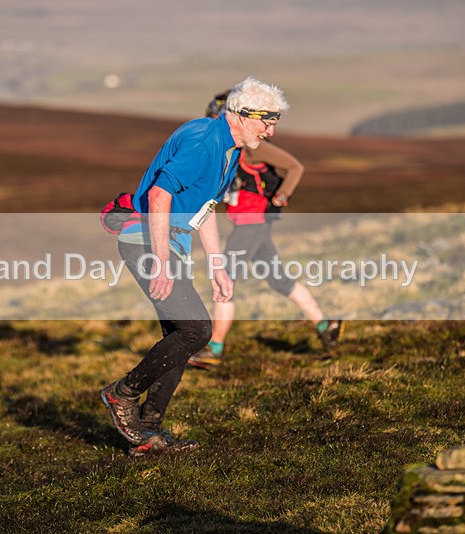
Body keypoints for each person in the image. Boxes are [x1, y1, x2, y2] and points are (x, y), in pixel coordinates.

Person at [100, 76, 289, 456]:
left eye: (274, 123)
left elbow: (205, 212)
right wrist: (162, 262)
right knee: (197, 330)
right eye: (266, 121)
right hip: (147, 241)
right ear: (241, 115)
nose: (270, 132)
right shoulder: (205, 140)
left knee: (180, 336)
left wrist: (218, 267)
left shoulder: (230, 149)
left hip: (171, 243)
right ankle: (122, 394)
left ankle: (149, 432)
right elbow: (158, 195)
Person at [187, 91, 343, 371]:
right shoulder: (229, 147)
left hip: (252, 223)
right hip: (250, 224)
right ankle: (325, 324)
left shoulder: (253, 148)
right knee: (279, 280)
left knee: (224, 283)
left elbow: (295, 167)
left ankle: (215, 349)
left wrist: (281, 197)